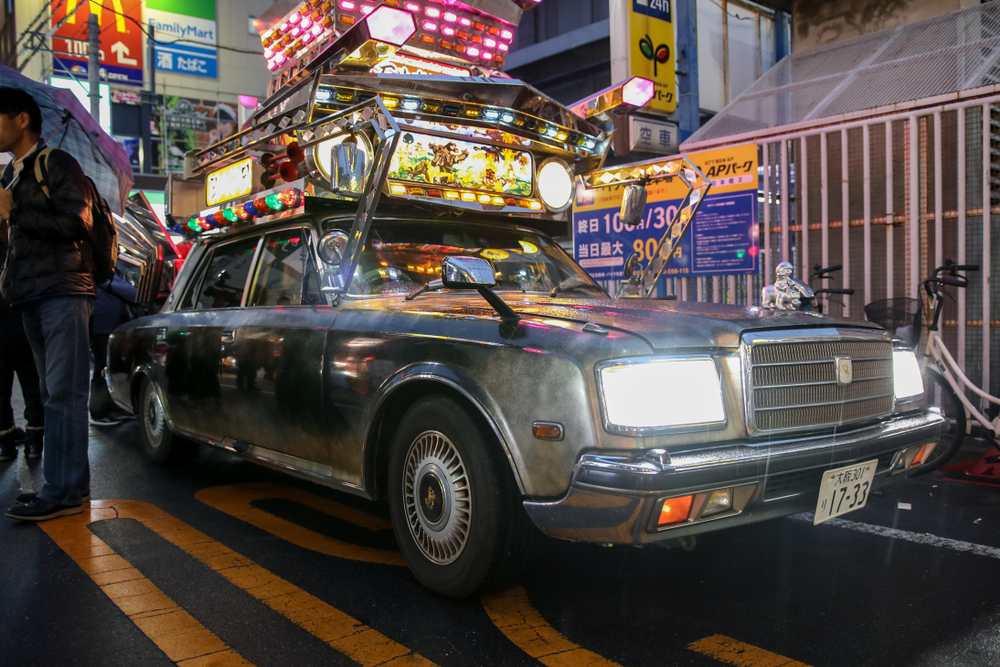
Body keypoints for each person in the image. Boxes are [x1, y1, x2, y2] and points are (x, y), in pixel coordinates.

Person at [0, 88, 96, 521]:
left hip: (63, 290)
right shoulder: (12, 175)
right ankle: (70, 486)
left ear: (21, 119)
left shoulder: (55, 163)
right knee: (51, 390)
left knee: (63, 392)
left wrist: (15, 212)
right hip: (31, 294)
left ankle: (60, 491)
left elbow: (77, 221)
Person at [0, 239, 44, 460]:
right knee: (33, 388)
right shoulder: (22, 249)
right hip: (24, 329)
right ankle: (34, 444)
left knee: (0, 393)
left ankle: (4, 446)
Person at [90, 269, 138, 425]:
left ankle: (113, 407)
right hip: (103, 324)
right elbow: (121, 287)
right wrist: (146, 297)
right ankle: (100, 411)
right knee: (104, 367)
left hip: (106, 323)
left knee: (110, 367)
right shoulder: (100, 268)